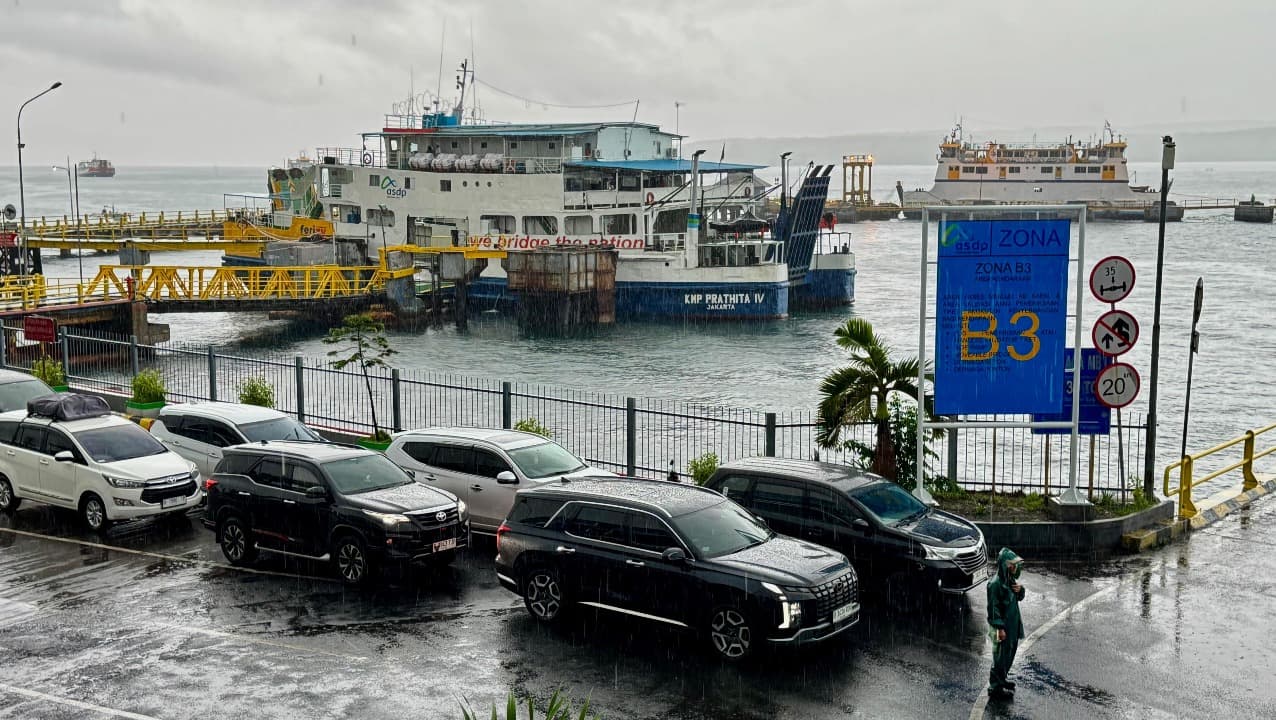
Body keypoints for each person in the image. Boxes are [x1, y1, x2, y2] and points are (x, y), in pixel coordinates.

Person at [986, 548, 1026, 699]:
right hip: (1002, 628)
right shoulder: (995, 584)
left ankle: (1002, 679)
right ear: (1005, 564)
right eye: (1012, 564)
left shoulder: (1009, 580)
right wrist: (999, 628)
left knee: (1009, 653)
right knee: (1000, 656)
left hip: (1012, 625)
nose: (1014, 567)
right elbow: (993, 609)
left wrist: (1020, 590)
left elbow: (1019, 598)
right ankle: (995, 687)